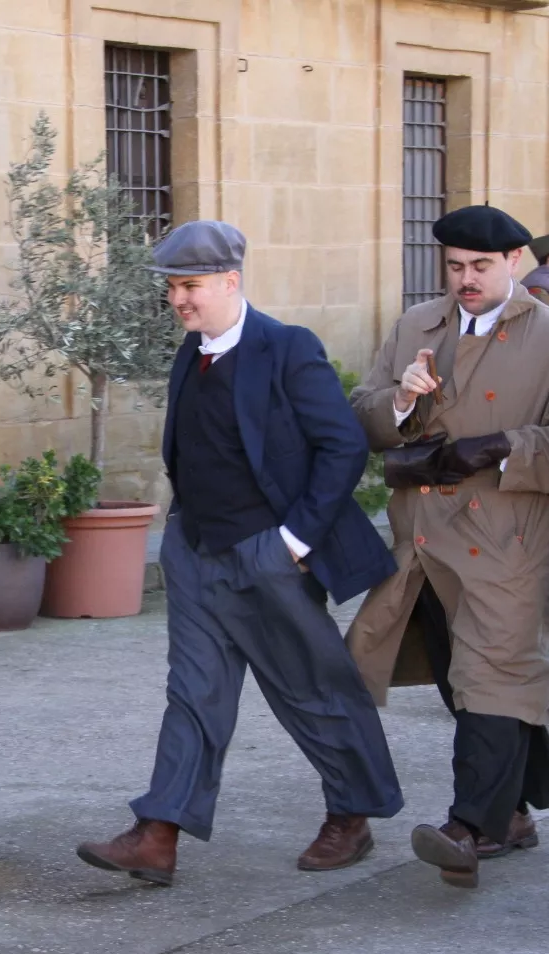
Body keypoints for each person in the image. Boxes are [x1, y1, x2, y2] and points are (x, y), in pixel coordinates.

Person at [76, 220, 404, 887]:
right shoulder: (190, 355)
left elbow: (342, 445)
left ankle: (353, 812)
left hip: (266, 552)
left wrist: (293, 542)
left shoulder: (287, 349)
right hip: (195, 551)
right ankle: (160, 831)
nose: (179, 301)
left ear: (231, 280)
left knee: (310, 689)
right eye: (172, 288)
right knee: (193, 692)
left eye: (190, 286)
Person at [348, 205, 549, 890]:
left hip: (507, 538)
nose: (466, 279)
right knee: (470, 679)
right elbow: (363, 411)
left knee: (494, 675)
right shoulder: (415, 326)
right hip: (422, 540)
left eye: (480, 267)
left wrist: (503, 447)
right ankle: (512, 811)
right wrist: (400, 401)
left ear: (515, 261)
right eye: (454, 266)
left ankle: (470, 825)